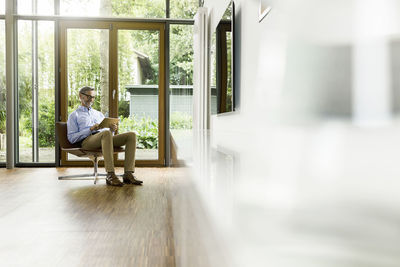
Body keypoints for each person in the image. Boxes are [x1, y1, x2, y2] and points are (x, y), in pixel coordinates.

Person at [67, 86, 143, 187]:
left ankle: (128, 174)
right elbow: (72, 138)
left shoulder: (98, 114)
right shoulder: (74, 115)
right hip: (87, 141)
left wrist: (111, 130)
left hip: (103, 137)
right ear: (81, 96)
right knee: (105, 133)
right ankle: (110, 174)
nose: (91, 99)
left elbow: (107, 135)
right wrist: (90, 130)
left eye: (93, 97)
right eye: (88, 96)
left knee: (131, 135)